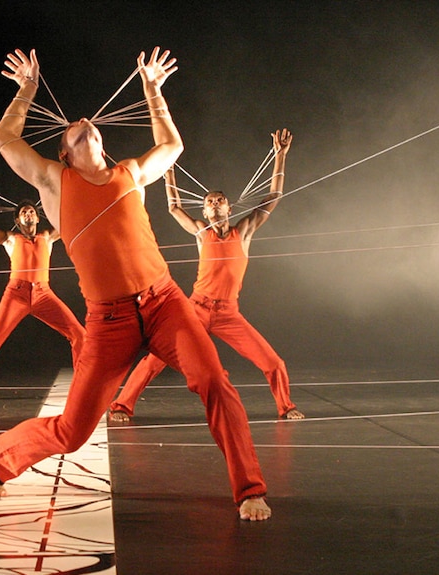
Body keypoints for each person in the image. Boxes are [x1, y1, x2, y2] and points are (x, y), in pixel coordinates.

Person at [0, 47, 271, 521]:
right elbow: (3, 137)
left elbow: (172, 147)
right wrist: (27, 90)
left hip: (165, 303)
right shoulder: (54, 182)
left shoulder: (130, 173)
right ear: (65, 151)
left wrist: (153, 91)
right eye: (73, 128)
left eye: (89, 125)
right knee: (73, 432)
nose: (83, 121)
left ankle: (249, 489)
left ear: (101, 143)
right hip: (108, 319)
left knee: (215, 379)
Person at [110, 133, 305, 423]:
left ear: (228, 208)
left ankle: (286, 407)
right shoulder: (202, 232)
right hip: (196, 310)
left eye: (220, 200)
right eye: (210, 201)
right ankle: (121, 406)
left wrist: (281, 155)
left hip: (229, 314)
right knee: (155, 360)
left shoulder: (245, 231)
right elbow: (174, 207)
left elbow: (273, 196)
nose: (215, 204)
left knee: (273, 362)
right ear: (204, 210)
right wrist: (169, 172)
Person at [0, 177, 85, 399]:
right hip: (16, 295)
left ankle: (83, 384)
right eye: (24, 213)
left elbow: (71, 219)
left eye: (31, 211)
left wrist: (66, 191)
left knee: (79, 334)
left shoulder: (47, 236)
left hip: (43, 294)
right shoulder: (10, 238)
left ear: (38, 218)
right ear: (18, 221)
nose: (28, 214)